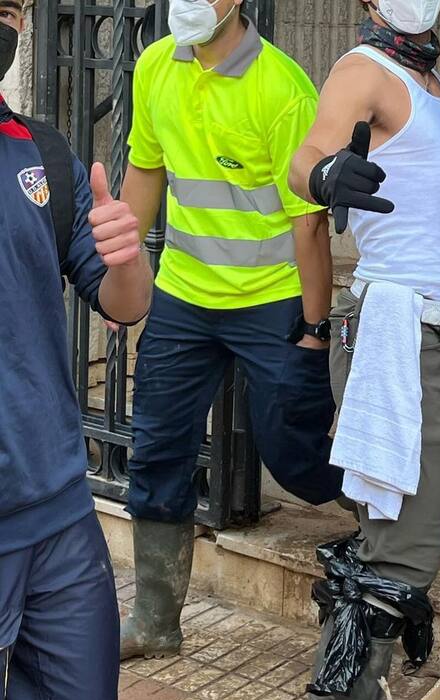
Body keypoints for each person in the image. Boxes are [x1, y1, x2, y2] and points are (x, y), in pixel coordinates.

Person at [287, 0, 440, 700]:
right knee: (397, 555)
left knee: (400, 538)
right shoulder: (361, 70)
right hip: (400, 337)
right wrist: (327, 173)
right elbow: (304, 160)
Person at [118, 0, 344, 661]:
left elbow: (310, 222)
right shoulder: (155, 65)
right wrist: (123, 277)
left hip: (271, 300)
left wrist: (313, 327)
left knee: (295, 450)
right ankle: (156, 620)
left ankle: (379, 519)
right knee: (157, 447)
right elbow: (145, 173)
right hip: (184, 297)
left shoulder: (282, 88)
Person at [0, 2, 153, 700]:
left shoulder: (44, 155)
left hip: (58, 514)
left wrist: (128, 257)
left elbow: (123, 303)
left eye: (10, 10)